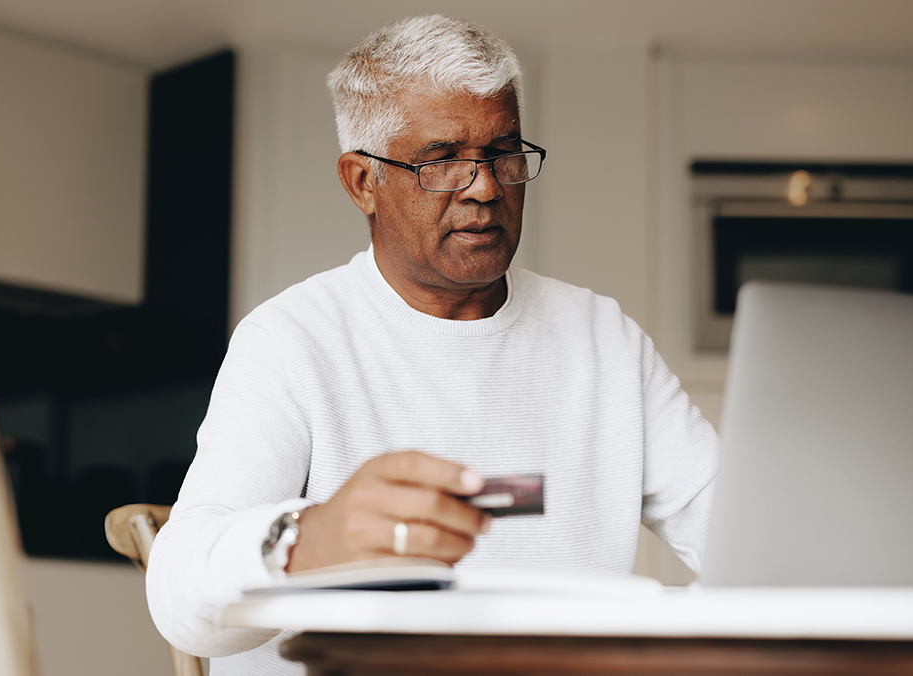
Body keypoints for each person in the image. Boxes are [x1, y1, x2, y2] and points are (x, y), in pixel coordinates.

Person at [146, 14, 718, 675]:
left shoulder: (604, 340)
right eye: (442, 160)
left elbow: (745, 533)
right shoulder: (290, 341)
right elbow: (179, 596)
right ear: (363, 182)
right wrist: (312, 539)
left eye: (503, 153)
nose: (485, 187)